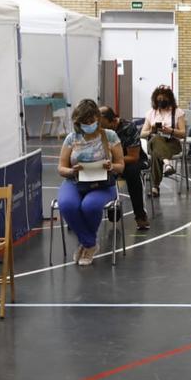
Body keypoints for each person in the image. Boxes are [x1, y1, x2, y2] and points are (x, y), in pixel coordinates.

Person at [57, 99, 126, 266]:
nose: (88, 124)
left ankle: (86, 244)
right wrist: (72, 171)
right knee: (66, 205)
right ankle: (90, 244)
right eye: (84, 122)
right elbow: (61, 168)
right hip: (75, 181)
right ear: (78, 122)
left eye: (91, 121)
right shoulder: (71, 138)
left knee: (90, 206)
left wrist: (111, 166)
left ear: (97, 118)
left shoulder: (110, 136)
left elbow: (121, 166)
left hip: (102, 183)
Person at [99, 106, 149, 231]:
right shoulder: (98, 129)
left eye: (104, 126)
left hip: (132, 159)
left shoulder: (128, 127)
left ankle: (140, 215)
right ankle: (79, 214)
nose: (101, 129)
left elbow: (133, 157)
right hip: (110, 160)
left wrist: (111, 162)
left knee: (132, 172)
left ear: (114, 121)